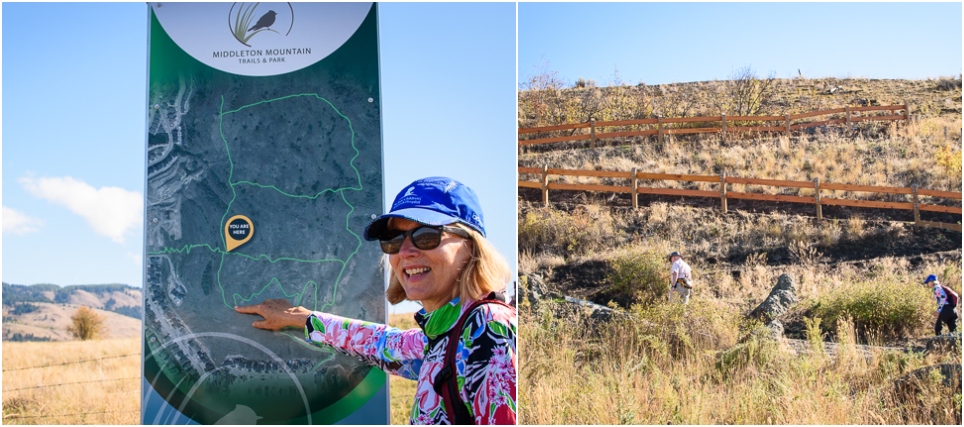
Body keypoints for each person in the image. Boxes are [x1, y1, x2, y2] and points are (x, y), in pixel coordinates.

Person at [235, 177, 517, 425]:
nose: (405, 251)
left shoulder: (487, 327)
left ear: (471, 246)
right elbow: (384, 345)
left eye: (426, 235)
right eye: (393, 240)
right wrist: (301, 318)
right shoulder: (447, 334)